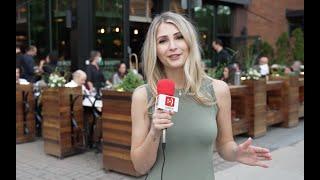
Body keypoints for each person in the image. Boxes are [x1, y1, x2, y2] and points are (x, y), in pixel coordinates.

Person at [130, 12, 272, 180]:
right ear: (155, 50)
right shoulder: (143, 96)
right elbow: (139, 167)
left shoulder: (218, 90)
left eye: (179, 37)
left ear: (190, 41)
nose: (172, 46)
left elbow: (225, 144)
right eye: (163, 41)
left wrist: (236, 153)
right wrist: (154, 132)